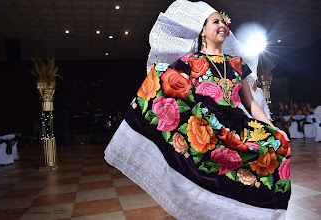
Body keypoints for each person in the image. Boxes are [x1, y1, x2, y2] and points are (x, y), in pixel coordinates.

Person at [104, 1, 291, 219]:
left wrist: (272, 127)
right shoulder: (188, 62)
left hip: (237, 127)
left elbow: (251, 104)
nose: (222, 25)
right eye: (215, 21)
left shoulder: (237, 63)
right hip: (206, 127)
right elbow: (174, 90)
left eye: (223, 22)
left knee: (278, 148)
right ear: (202, 31)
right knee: (207, 179)